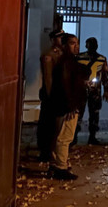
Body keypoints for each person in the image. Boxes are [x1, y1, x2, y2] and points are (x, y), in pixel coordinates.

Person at [50, 34, 90, 180]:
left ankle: (57, 164)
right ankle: (60, 167)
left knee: (61, 136)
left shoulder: (69, 61)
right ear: (65, 45)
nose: (76, 46)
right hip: (67, 106)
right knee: (65, 137)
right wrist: (71, 106)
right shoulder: (65, 63)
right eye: (73, 43)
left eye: (77, 43)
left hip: (67, 104)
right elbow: (65, 85)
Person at [74, 37, 108, 145]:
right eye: (90, 44)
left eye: (93, 44)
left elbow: (105, 75)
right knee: (78, 115)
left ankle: (92, 136)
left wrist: (106, 90)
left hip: (95, 91)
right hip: (81, 90)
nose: (92, 46)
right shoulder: (79, 58)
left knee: (94, 115)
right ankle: (74, 136)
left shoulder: (101, 59)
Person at [37, 29, 64, 161]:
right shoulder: (49, 55)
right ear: (53, 40)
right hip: (51, 95)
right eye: (59, 38)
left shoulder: (62, 54)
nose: (61, 40)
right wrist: (51, 96)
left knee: (56, 125)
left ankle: (51, 149)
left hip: (58, 93)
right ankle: (45, 151)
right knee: (47, 124)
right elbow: (48, 78)